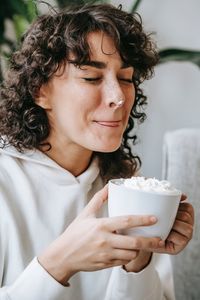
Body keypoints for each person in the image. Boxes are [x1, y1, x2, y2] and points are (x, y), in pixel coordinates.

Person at [0, 3, 194, 300]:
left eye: (127, 79)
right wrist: (58, 263)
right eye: (91, 77)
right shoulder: (5, 181)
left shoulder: (130, 186)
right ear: (39, 89)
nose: (118, 97)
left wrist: (138, 262)